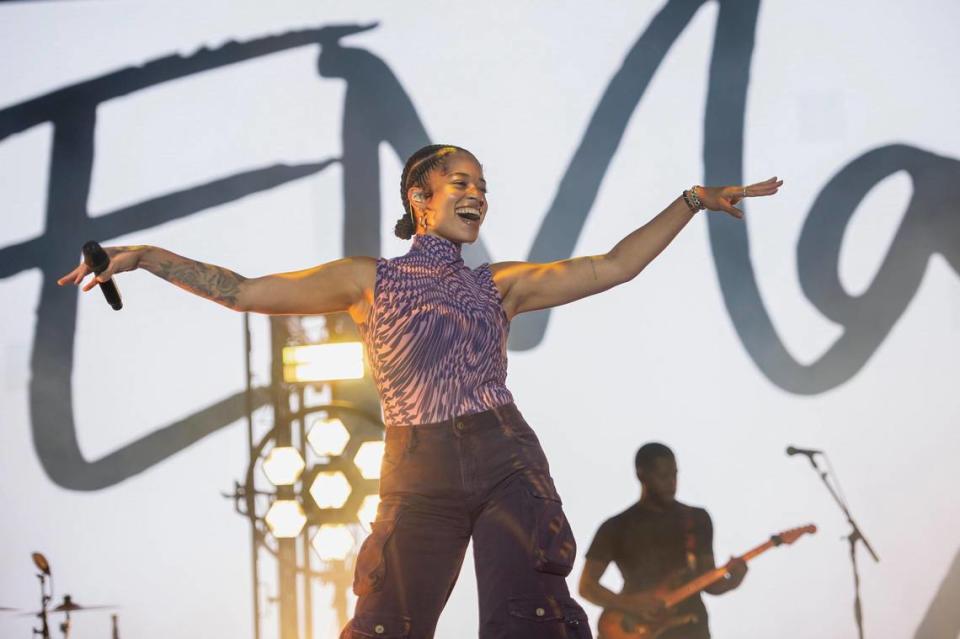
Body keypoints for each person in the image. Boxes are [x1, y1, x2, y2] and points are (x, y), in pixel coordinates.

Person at [59, 144, 780, 638]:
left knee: (526, 617)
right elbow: (244, 291)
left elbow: (615, 264)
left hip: (506, 462)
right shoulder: (367, 279)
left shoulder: (500, 284)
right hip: (416, 471)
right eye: (461, 182)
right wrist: (147, 256)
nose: (477, 194)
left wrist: (689, 201)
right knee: (385, 622)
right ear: (421, 198)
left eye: (484, 185)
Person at [578, 443, 748, 639]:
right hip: (637, 629)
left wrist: (733, 580)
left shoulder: (696, 519)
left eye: (675, 474)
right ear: (642, 475)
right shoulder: (615, 527)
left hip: (691, 629)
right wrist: (631, 604)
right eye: (663, 476)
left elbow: (708, 581)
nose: (672, 482)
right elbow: (587, 586)